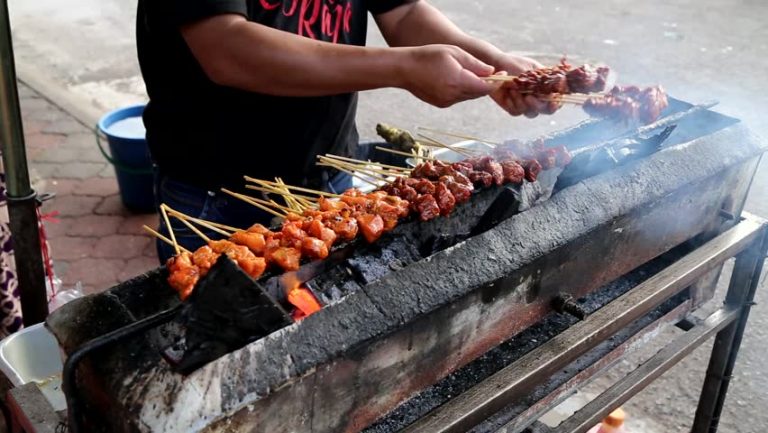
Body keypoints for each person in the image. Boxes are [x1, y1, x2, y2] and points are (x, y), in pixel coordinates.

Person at [137, 0, 556, 262]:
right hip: (214, 190)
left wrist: (494, 64)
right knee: (208, 340)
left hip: (329, 173)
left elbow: (403, 11)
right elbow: (226, 47)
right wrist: (403, 68)